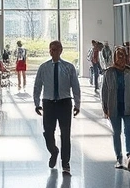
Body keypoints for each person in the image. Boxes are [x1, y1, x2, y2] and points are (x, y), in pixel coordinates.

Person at [34, 40, 81, 175]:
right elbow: (37, 86)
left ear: (61, 50)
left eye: (55, 49)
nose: (52, 52)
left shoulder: (69, 67)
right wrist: (36, 103)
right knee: (48, 132)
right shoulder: (44, 67)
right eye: (50, 49)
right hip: (48, 103)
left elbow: (75, 87)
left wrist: (77, 104)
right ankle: (53, 151)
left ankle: (65, 163)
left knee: (65, 134)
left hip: (64, 103)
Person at [101, 46, 130, 170]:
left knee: (128, 130)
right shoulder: (109, 72)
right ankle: (119, 158)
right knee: (116, 132)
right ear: (115, 58)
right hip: (114, 107)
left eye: (123, 55)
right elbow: (104, 91)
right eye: (119, 56)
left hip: (128, 107)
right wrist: (105, 108)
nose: (121, 58)